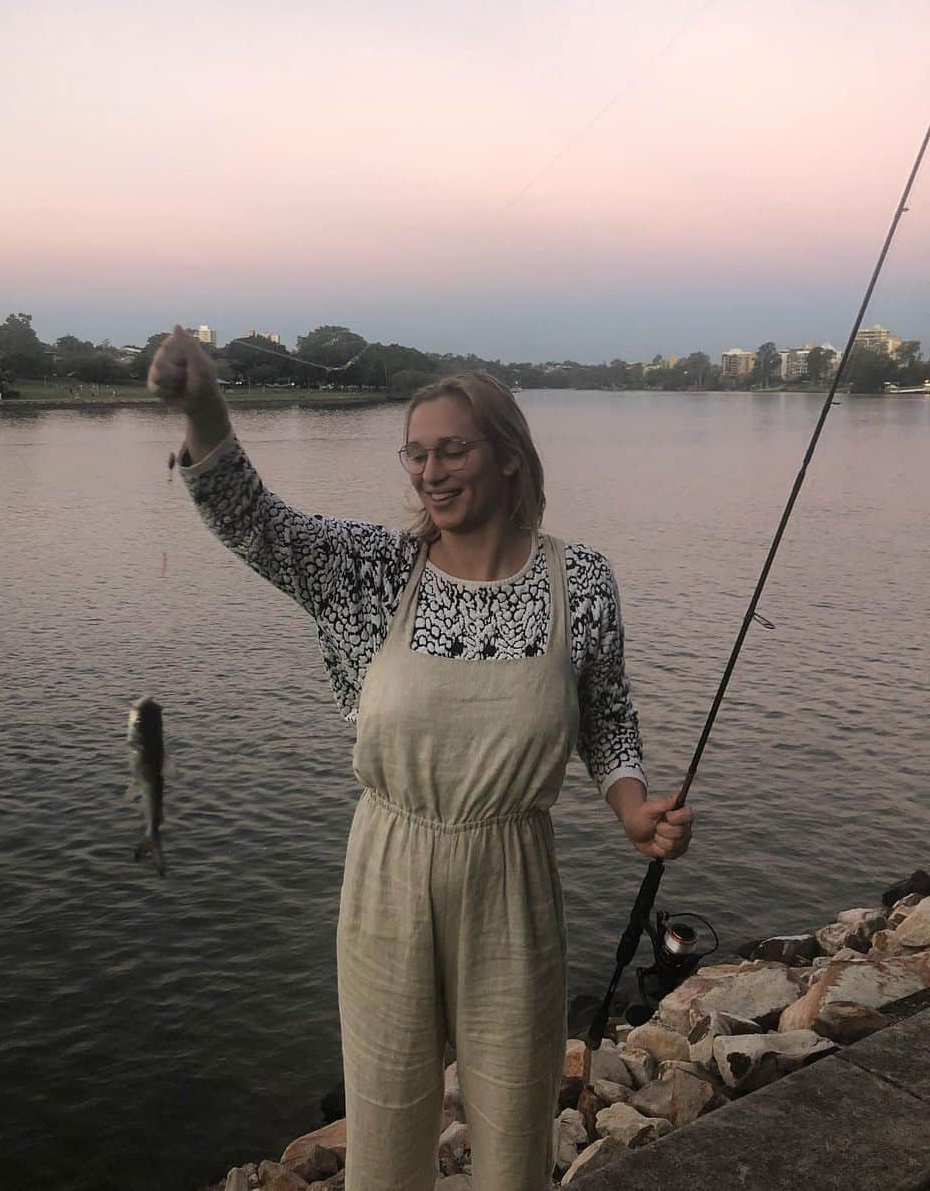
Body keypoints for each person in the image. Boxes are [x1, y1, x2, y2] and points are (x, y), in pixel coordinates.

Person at [148, 325, 694, 1191]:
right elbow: (256, 523)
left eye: (451, 451)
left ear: (509, 457)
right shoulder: (371, 571)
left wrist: (633, 808)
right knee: (387, 1112)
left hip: (512, 870)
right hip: (389, 866)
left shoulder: (579, 578)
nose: (430, 473)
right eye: (415, 455)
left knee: (516, 1117)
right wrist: (202, 404)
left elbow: (606, 716)